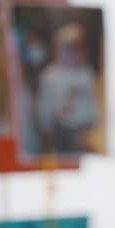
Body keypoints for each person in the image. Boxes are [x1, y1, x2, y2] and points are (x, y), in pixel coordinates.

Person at [36, 23, 98, 154]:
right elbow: (45, 103)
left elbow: (92, 101)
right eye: (66, 50)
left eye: (76, 51)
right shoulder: (50, 76)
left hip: (81, 127)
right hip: (58, 126)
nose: (71, 56)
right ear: (57, 51)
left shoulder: (86, 74)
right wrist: (45, 127)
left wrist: (91, 123)